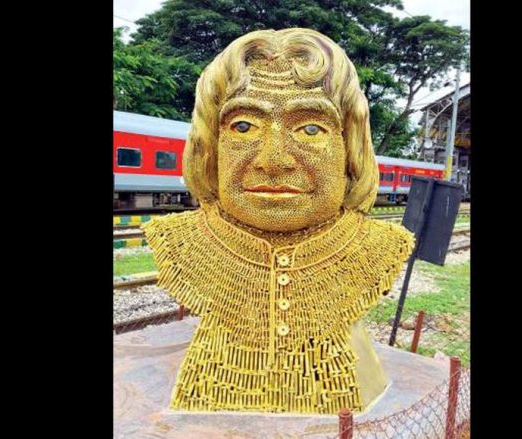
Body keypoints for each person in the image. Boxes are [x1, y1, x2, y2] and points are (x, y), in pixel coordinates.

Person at [142, 28, 414, 414]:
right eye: (243, 126)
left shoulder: (384, 247)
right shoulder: (175, 242)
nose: (274, 159)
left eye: (310, 128)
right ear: (211, 146)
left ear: (348, 144)